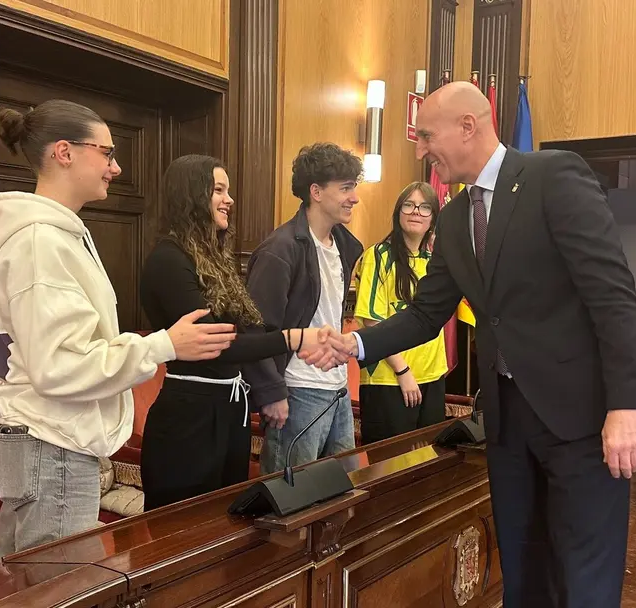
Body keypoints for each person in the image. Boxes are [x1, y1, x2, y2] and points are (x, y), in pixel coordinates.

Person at [306, 82, 636, 607]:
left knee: (585, 577)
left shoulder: (552, 177)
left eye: (426, 135)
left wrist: (626, 406)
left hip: (582, 419)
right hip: (508, 423)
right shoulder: (452, 216)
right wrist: (353, 345)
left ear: (468, 126)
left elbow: (613, 297)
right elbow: (427, 313)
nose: (421, 150)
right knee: (522, 566)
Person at [0, 100, 237, 557]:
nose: (116, 166)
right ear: (65, 153)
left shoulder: (54, 235)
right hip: (52, 447)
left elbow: (9, 358)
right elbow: (60, 366)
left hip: (46, 442)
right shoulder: (39, 242)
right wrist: (162, 345)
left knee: (35, 586)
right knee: (57, 588)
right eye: (107, 153)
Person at [138, 154, 338, 510]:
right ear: (190, 195)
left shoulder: (213, 257)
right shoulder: (168, 259)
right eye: (218, 190)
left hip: (231, 410)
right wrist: (293, 338)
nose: (229, 199)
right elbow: (216, 345)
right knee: (185, 531)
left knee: (226, 524)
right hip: (190, 418)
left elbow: (249, 329)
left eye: (228, 190)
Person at [243, 142, 365, 474]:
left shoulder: (344, 245)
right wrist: (272, 392)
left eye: (354, 186)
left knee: (343, 495)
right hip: (297, 392)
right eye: (345, 188)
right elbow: (255, 329)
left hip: (337, 390)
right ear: (316, 191)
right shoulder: (279, 249)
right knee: (292, 504)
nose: (354, 197)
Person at [354, 182, 447, 444]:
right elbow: (371, 322)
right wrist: (403, 372)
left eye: (424, 207)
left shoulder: (436, 261)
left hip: (432, 376)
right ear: (398, 213)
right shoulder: (378, 256)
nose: (416, 212)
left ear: (433, 218)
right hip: (390, 381)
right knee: (391, 468)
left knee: (428, 466)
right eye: (409, 205)